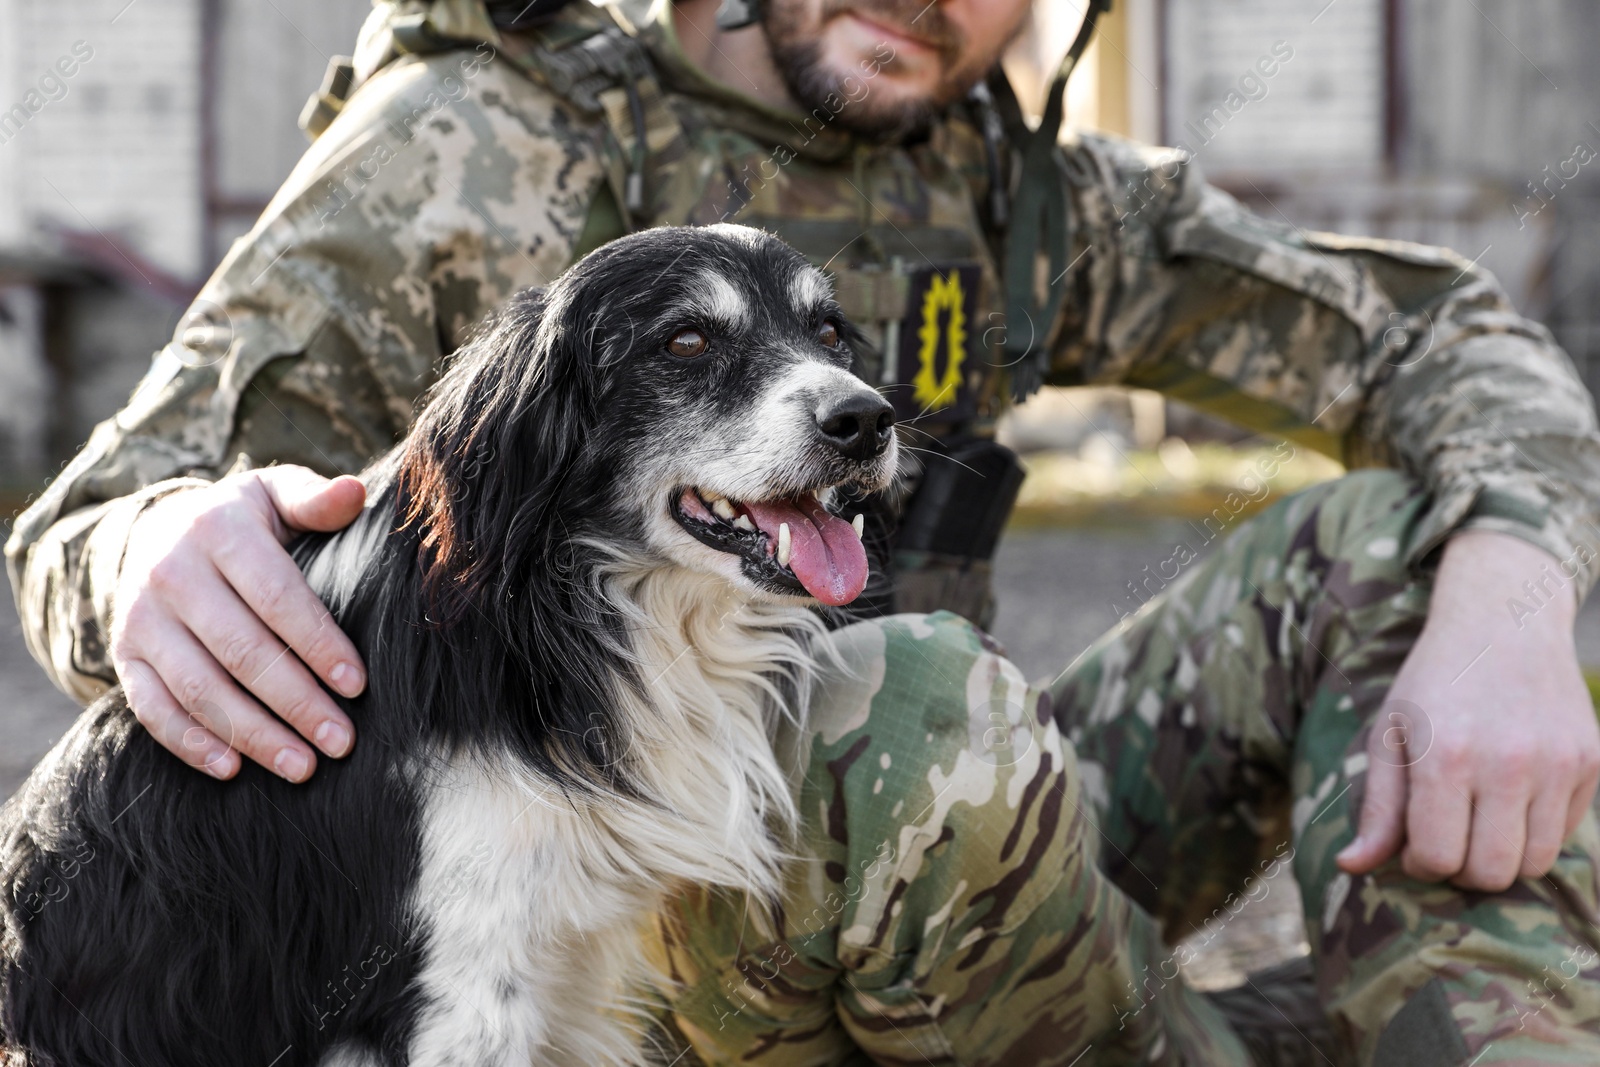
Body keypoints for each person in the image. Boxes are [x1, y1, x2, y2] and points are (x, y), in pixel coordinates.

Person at [8, 0, 1600, 1061]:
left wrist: (1519, 607)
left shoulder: (1020, 191)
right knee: (906, 696)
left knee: (1396, 548)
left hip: (931, 840)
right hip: (628, 884)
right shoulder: (481, 139)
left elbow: (1433, 339)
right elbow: (96, 521)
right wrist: (153, 554)